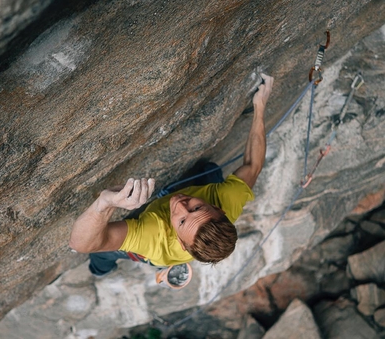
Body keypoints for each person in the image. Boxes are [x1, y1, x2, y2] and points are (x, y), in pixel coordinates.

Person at [69, 74, 274, 277]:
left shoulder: (153, 235)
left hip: (155, 251)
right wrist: (260, 106)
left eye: (182, 221)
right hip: (192, 230)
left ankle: (101, 271)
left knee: (102, 255)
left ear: (182, 245)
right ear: (219, 209)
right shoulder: (229, 199)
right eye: (197, 207)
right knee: (210, 170)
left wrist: (105, 203)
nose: (181, 204)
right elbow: (253, 165)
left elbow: (81, 244)